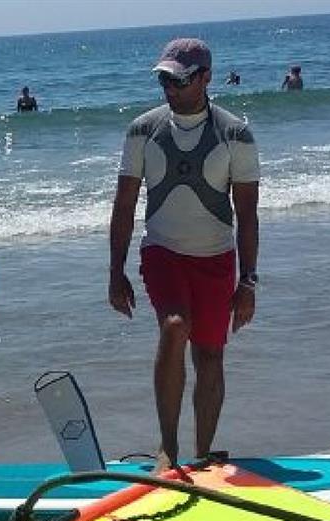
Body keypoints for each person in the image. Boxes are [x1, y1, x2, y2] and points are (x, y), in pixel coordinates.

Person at [107, 38, 260, 474]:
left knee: (210, 354)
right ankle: (168, 450)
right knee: (175, 327)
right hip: (163, 253)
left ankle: (203, 453)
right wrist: (115, 272)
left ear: (206, 77)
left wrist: (248, 282)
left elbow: (247, 216)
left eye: (180, 78)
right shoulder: (142, 130)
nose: (169, 86)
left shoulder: (235, 133)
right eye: (164, 78)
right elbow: (123, 207)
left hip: (216, 259)